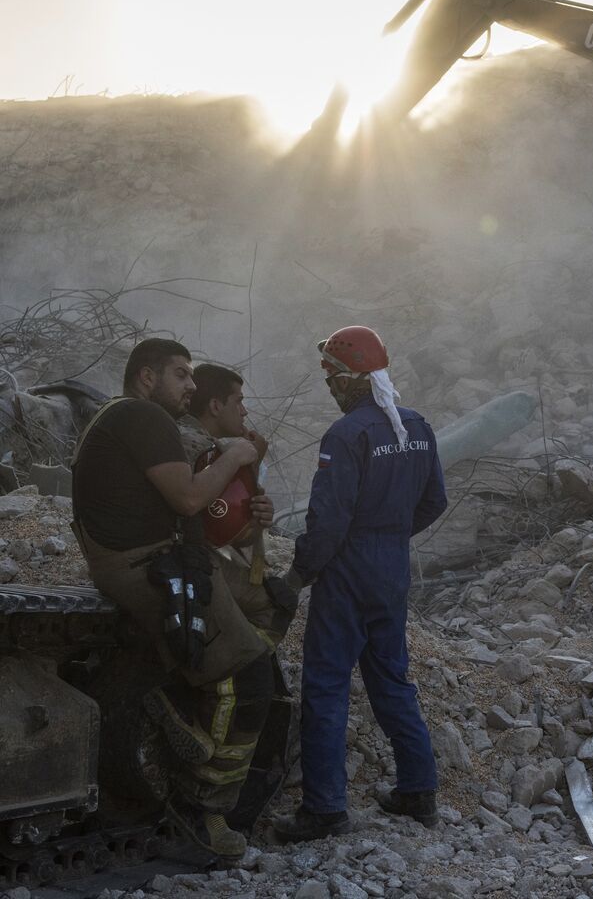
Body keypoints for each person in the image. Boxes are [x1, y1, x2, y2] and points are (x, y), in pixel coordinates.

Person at [70, 339, 274, 860]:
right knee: (250, 677)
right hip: (147, 568)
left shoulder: (128, 419)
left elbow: (193, 512)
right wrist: (234, 455)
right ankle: (201, 812)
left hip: (150, 558)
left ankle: (190, 691)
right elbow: (188, 498)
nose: (191, 386)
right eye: (181, 375)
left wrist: (249, 514)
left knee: (265, 603)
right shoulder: (143, 416)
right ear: (146, 377)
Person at [273, 325, 448, 841]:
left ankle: (324, 809)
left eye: (331, 375)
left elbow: (327, 521)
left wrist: (298, 574)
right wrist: (391, 535)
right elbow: (434, 500)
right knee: (392, 679)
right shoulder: (416, 426)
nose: (328, 386)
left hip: (348, 572)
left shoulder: (345, 436)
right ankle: (419, 791)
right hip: (392, 568)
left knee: (326, 686)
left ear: (352, 378)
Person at [178, 363, 297, 649]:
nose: (244, 412)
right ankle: (240, 666)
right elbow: (215, 525)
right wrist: (249, 463)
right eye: (239, 402)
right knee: (276, 602)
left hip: (204, 558)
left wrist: (257, 503)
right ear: (216, 406)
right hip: (192, 562)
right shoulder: (199, 449)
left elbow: (237, 522)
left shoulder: (216, 447)